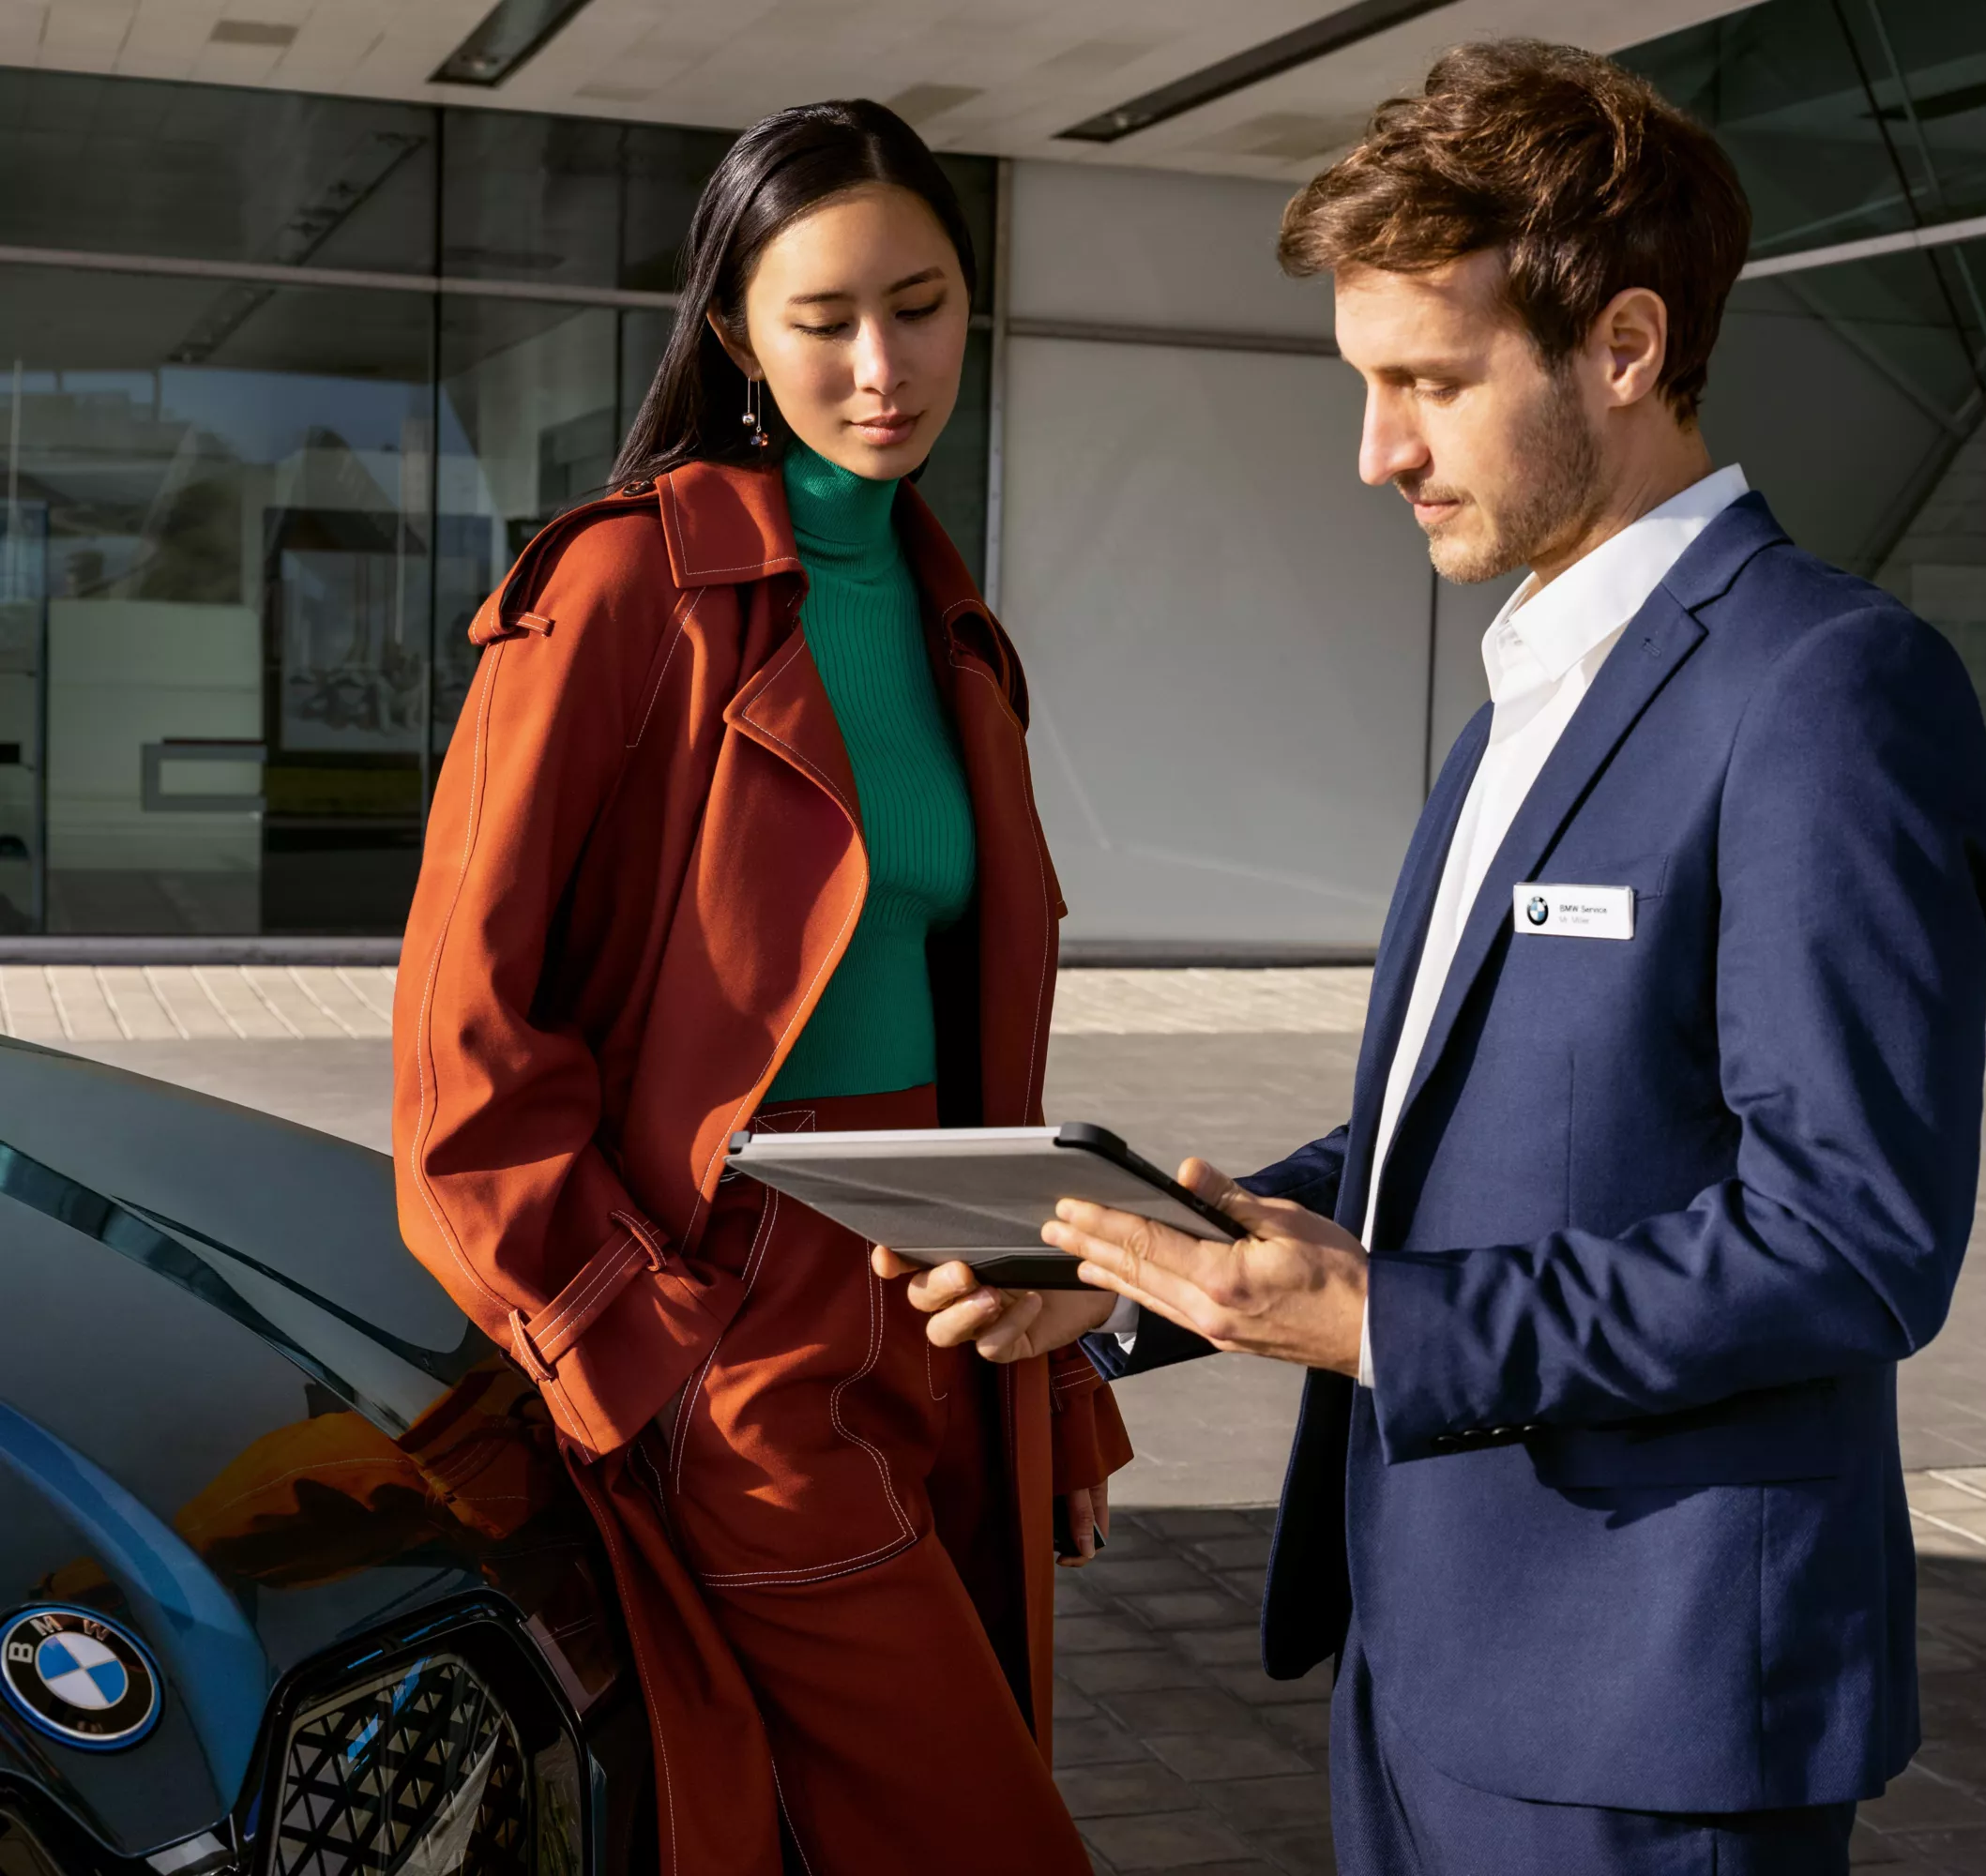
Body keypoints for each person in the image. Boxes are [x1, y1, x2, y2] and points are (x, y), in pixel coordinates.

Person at [894, 41, 1986, 1876]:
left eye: (1426, 381)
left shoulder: (1824, 690)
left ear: (1625, 349)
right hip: (1426, 1656)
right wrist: (1153, 1276)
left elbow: (1849, 1241)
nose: (1372, 450)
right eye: (1362, 383)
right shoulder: (1524, 697)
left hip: (1643, 1717)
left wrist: (1389, 1325)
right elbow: (1442, 1144)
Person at [391, 101, 1128, 1876]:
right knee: (982, 1840)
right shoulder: (621, 589)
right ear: (733, 331)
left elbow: (973, 1034)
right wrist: (649, 1352)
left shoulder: (957, 626)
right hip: (735, 1330)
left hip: (954, 1306)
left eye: (925, 302)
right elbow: (460, 1059)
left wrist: (1054, 1329)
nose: (885, 365)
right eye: (824, 318)